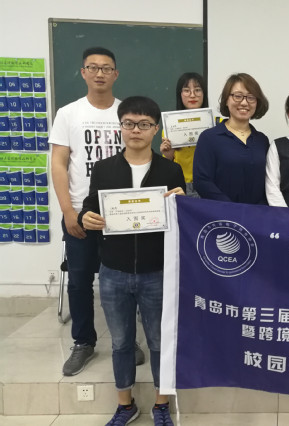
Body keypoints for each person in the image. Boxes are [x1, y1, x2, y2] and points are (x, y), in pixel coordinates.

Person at [79, 96, 185, 426]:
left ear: (155, 129)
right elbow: (90, 205)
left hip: (157, 271)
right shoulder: (104, 169)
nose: (135, 130)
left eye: (144, 124)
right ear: (120, 127)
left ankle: (161, 404)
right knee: (121, 342)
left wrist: (184, 204)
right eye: (129, 123)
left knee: (159, 342)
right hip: (113, 271)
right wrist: (85, 217)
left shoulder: (170, 169)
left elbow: (182, 221)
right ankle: (125, 405)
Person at [50, 47, 144, 376]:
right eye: (93, 67)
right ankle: (83, 342)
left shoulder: (128, 113)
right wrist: (68, 211)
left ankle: (126, 340)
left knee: (125, 281)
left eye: (106, 68)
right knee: (79, 280)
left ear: (116, 74)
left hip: (122, 215)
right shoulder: (68, 113)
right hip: (81, 212)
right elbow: (58, 164)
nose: (100, 73)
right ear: (83, 72)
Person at [193, 73, 270, 203]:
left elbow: (268, 182)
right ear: (226, 100)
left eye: (251, 97)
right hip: (222, 213)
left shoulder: (262, 140)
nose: (244, 102)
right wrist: (231, 208)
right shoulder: (209, 138)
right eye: (238, 96)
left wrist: (259, 209)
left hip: (257, 213)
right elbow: (202, 181)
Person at [160, 72, 208, 197]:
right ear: (180, 94)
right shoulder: (170, 126)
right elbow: (167, 165)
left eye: (197, 90)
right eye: (186, 90)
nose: (192, 95)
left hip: (208, 184)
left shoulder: (215, 125)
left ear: (204, 93)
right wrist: (168, 155)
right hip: (180, 186)